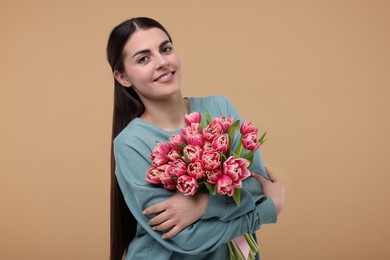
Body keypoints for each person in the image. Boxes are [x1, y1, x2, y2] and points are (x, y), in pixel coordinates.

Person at [106, 17, 286, 260]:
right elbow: (184, 238)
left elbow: (258, 185)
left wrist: (201, 205)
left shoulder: (219, 107)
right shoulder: (131, 143)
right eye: (143, 58)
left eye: (166, 49)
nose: (162, 62)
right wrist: (262, 213)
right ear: (123, 78)